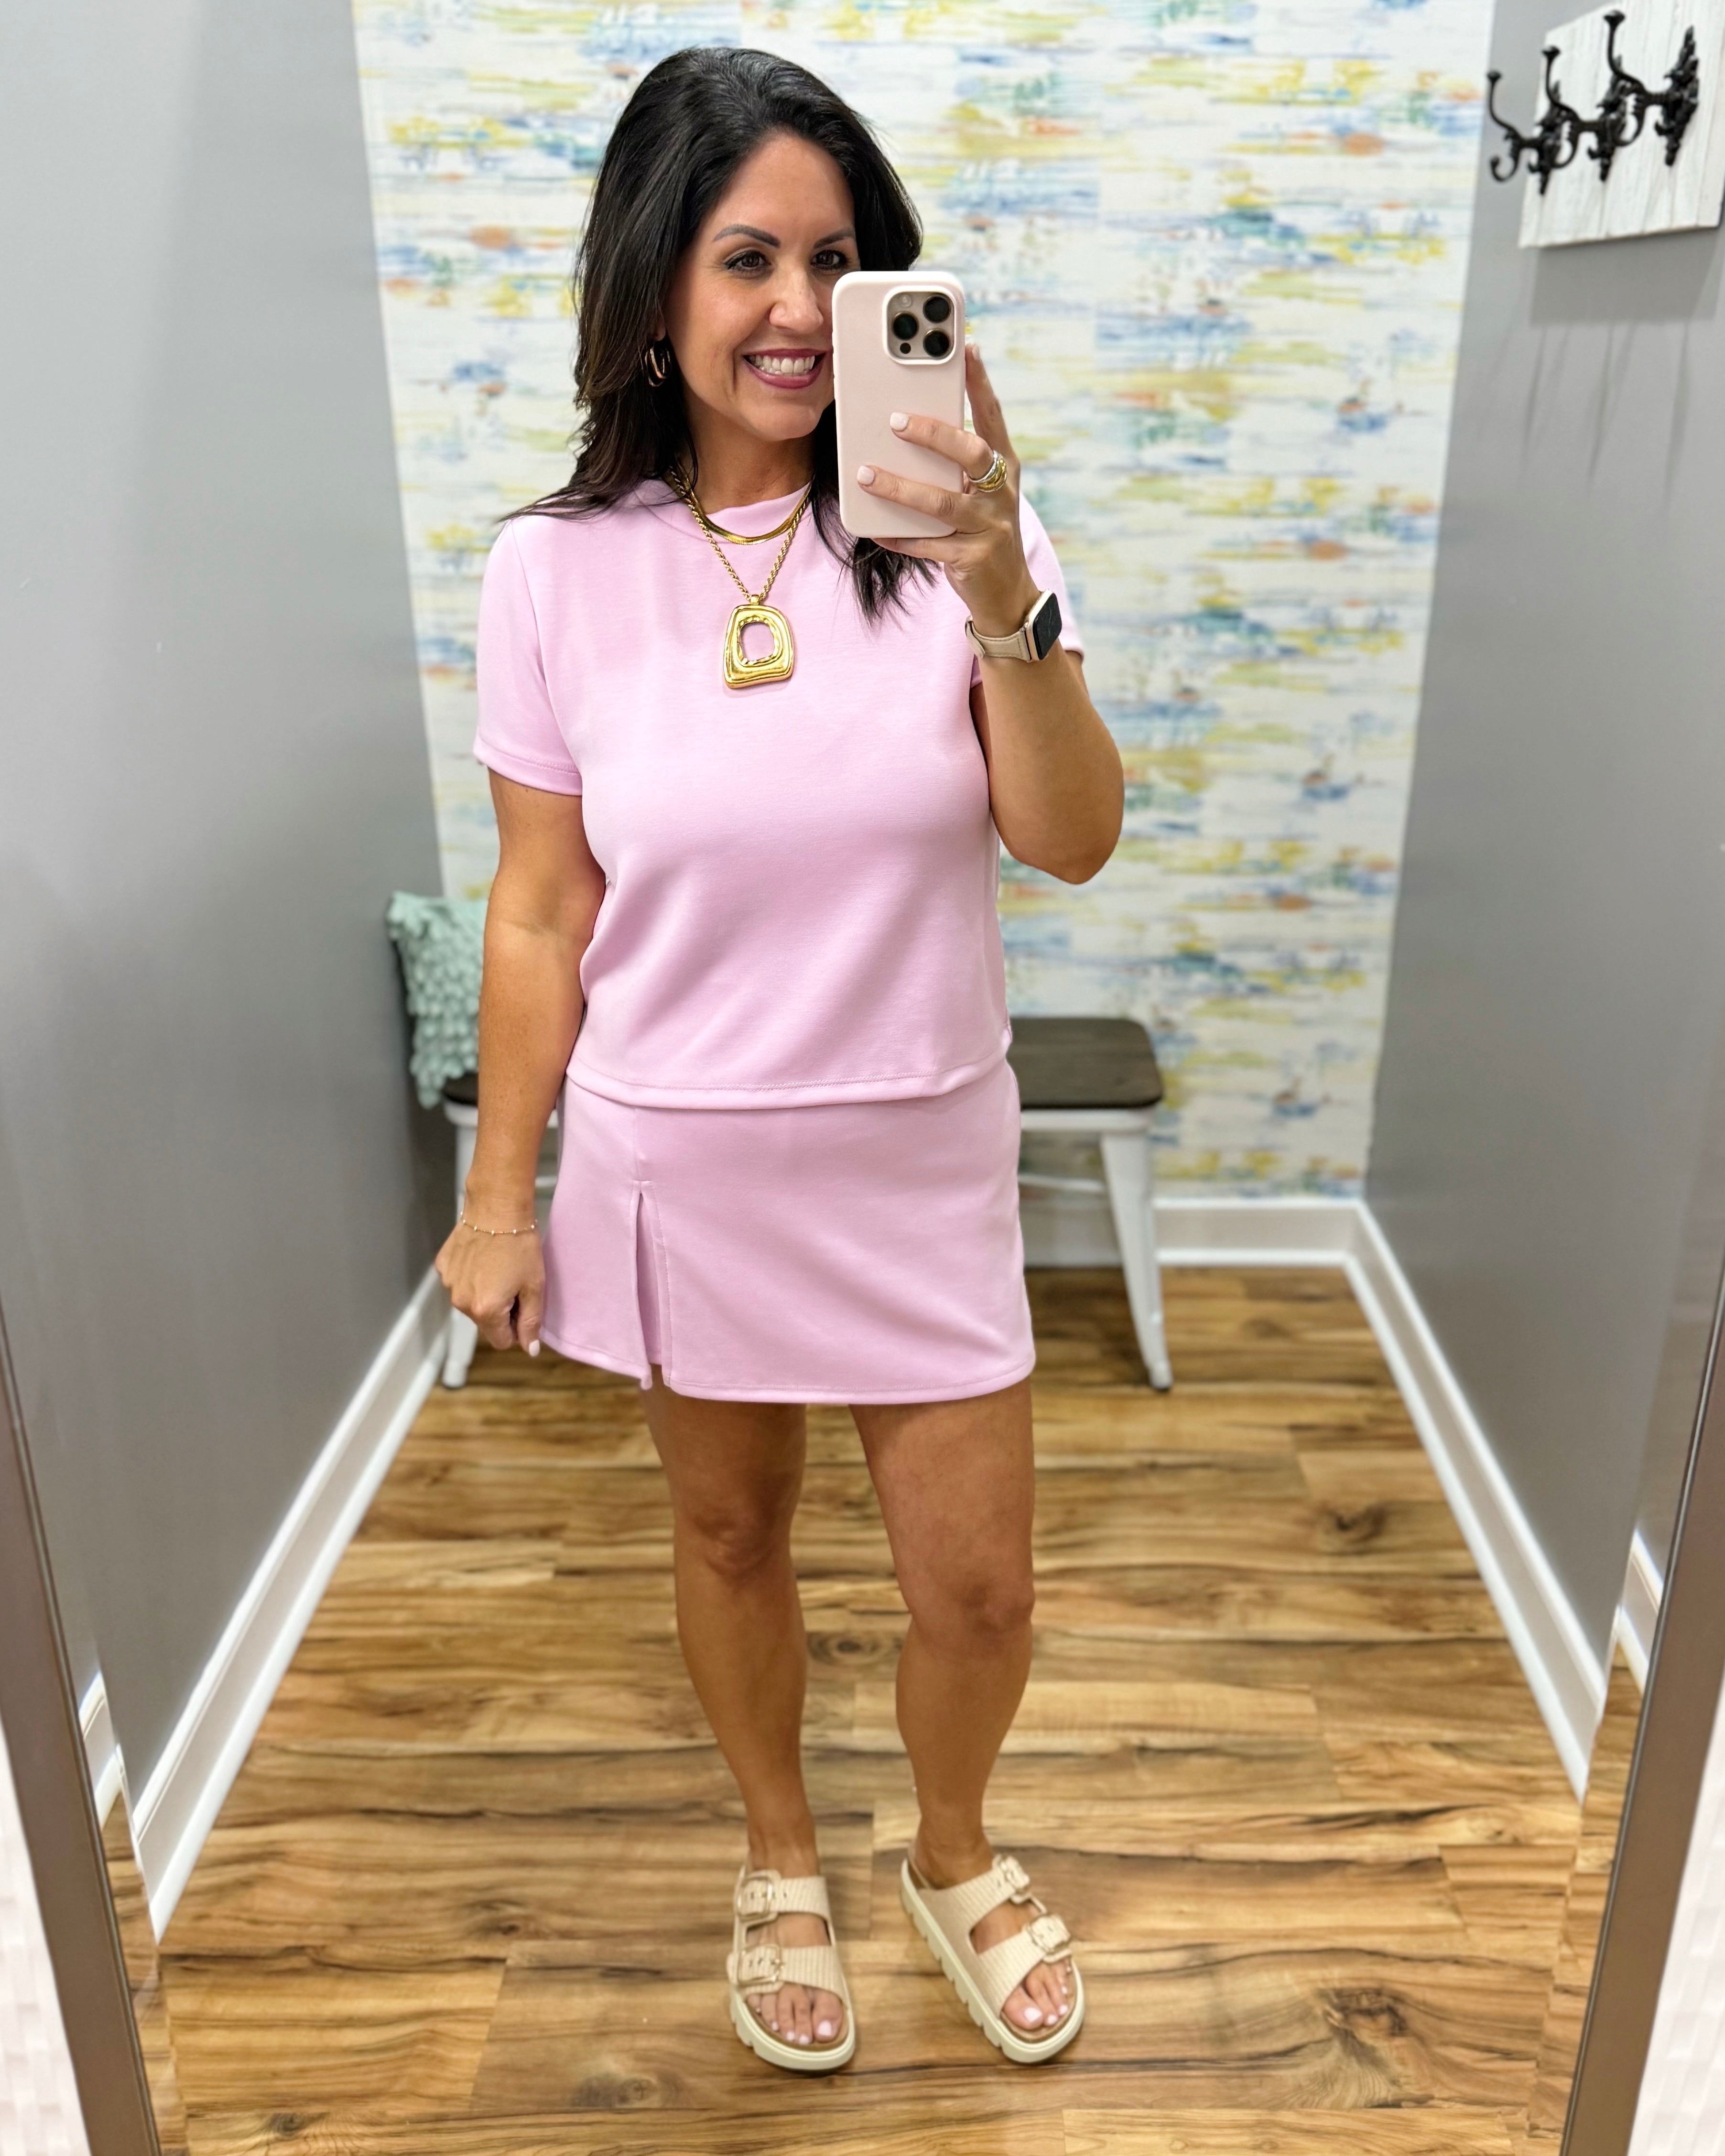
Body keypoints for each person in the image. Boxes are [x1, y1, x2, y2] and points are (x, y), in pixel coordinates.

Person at [436, 43, 1123, 2075]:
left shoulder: (965, 536)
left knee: (978, 1592)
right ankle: (779, 1850)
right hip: (687, 1155)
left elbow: (1070, 838)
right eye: (748, 258)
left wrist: (1001, 594)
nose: (800, 311)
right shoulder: (553, 571)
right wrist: (498, 1200)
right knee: (731, 1537)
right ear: (655, 284)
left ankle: (953, 1848)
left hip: (918, 1149)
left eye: (839, 261)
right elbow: (540, 910)